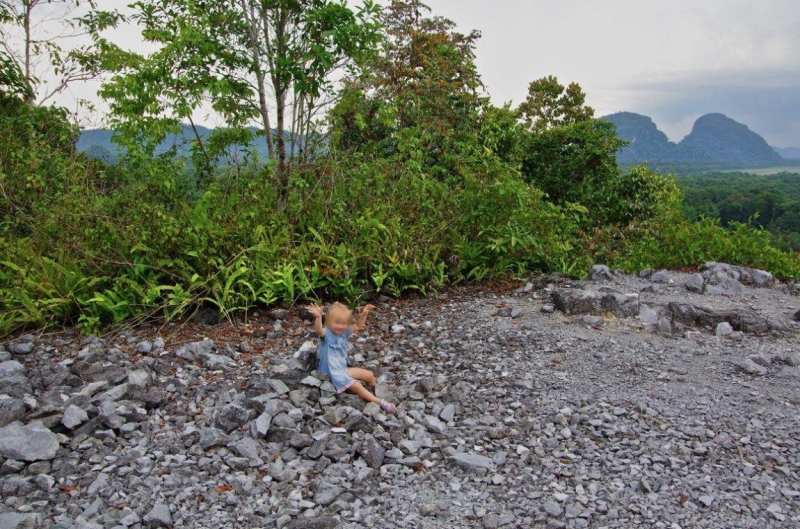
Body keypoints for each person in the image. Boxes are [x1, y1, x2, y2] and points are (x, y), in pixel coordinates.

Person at [307, 301, 396, 413]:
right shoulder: (326, 334)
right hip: (330, 372)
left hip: (342, 368)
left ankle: (374, 392)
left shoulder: (344, 332)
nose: (341, 326)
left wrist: (364, 314)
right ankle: (380, 402)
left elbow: (358, 326)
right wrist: (319, 316)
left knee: (369, 375)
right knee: (357, 385)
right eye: (337, 323)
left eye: (344, 323)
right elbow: (318, 329)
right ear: (329, 322)